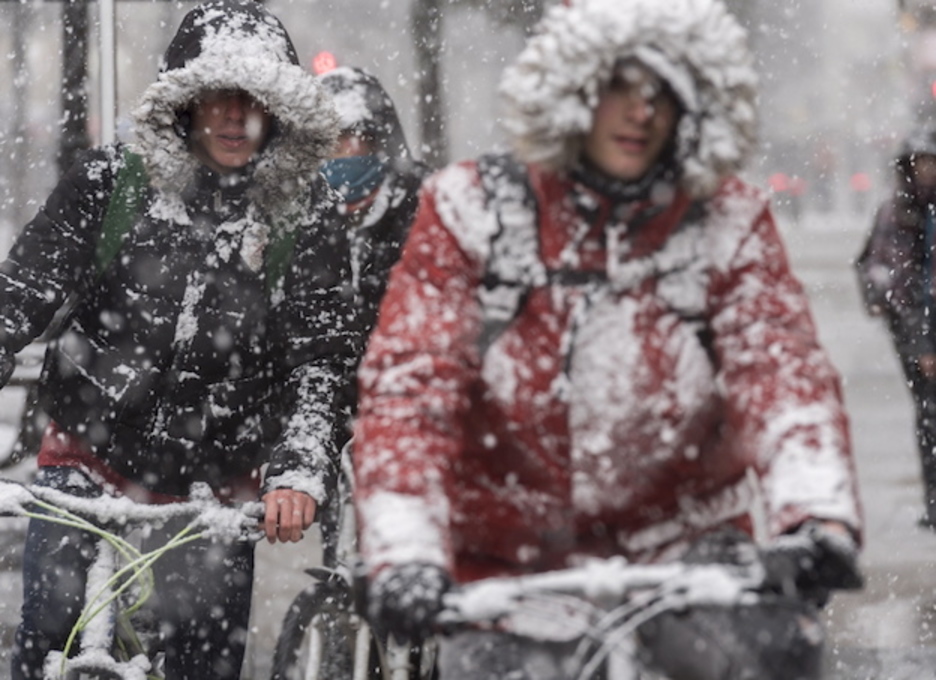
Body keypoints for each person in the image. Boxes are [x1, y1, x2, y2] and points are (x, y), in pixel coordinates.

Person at [352, 0, 864, 678]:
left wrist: (817, 517)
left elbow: (781, 373)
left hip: (688, 563)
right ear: (572, 88)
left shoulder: (725, 221)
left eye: (663, 91)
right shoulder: (470, 212)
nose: (641, 111)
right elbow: (411, 396)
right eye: (619, 84)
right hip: (510, 571)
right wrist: (405, 554)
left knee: (772, 655)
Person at [0, 1, 362, 678]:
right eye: (217, 96)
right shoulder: (111, 181)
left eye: (254, 100)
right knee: (50, 636)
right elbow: (19, 293)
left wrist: (297, 471)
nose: (235, 116)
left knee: (204, 656)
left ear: (279, 110)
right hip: (89, 454)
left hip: (216, 478)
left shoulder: (303, 213)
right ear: (184, 103)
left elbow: (323, 359)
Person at [856, 123, 936, 529]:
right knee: (929, 414)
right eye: (920, 163)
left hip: (921, 326)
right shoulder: (896, 211)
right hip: (911, 329)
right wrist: (921, 343)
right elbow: (874, 264)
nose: (927, 171)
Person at [318, 66, 430, 334]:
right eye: (326, 142)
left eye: (348, 138)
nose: (338, 152)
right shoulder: (302, 216)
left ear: (378, 140)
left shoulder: (424, 206)